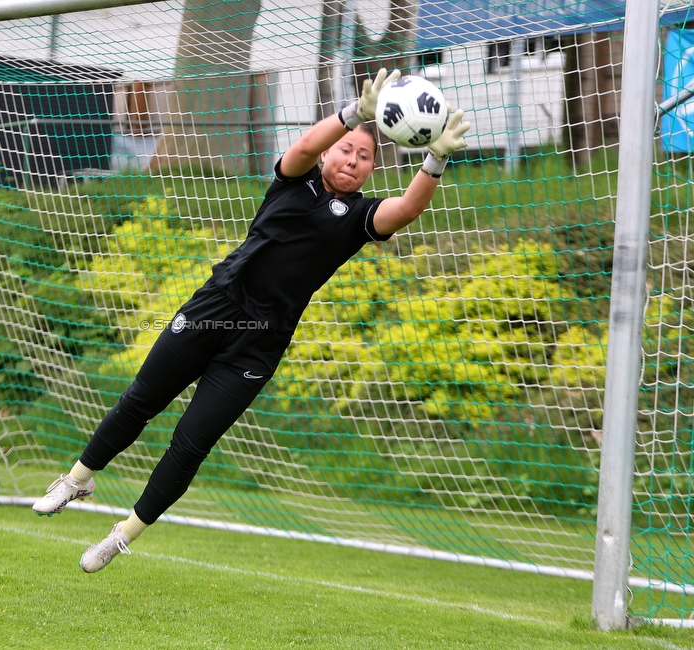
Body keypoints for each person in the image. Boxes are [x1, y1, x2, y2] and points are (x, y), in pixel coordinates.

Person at [32, 68, 470, 573]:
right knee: (141, 400)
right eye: (346, 149)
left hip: (259, 345)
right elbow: (305, 144)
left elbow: (409, 208)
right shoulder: (293, 178)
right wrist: (355, 114)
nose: (352, 159)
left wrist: (436, 158)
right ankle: (77, 479)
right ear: (330, 153)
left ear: (373, 169)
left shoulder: (358, 218)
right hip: (213, 308)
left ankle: (122, 535)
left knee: (191, 443)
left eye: (365, 155)